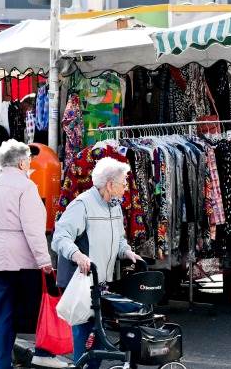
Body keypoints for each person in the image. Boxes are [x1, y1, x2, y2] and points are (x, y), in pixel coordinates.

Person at [0, 141, 67, 369]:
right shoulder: (26, 187)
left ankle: (2, 363)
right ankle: (43, 352)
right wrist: (45, 261)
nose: (29, 163)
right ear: (20, 162)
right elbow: (33, 230)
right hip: (18, 261)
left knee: (2, 314)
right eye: (28, 159)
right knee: (34, 310)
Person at [52, 157, 144, 369]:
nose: (126, 187)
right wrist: (77, 255)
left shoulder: (115, 206)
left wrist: (127, 251)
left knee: (96, 338)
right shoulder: (82, 204)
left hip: (100, 281)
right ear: (110, 184)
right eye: (123, 183)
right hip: (81, 281)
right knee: (86, 337)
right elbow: (60, 237)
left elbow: (119, 239)